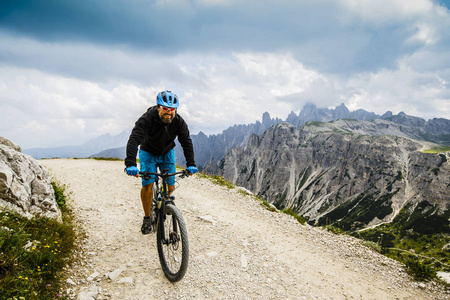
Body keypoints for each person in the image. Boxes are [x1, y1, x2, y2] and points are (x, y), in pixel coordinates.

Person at [125, 90, 198, 234]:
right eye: (165, 108)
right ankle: (147, 217)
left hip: (167, 152)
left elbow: (186, 142)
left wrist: (191, 164)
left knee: (170, 185)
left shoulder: (178, 121)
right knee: (148, 183)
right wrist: (130, 164)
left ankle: (164, 202)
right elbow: (134, 139)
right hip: (148, 152)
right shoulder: (147, 119)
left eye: (172, 109)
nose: (169, 112)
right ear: (158, 107)